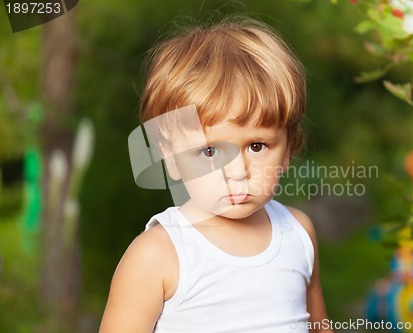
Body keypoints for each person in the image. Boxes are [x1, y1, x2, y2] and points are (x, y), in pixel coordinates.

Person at [99, 16, 334, 333]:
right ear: (170, 157)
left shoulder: (298, 233)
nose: (237, 173)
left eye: (256, 146)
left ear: (290, 147)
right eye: (209, 152)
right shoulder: (158, 255)